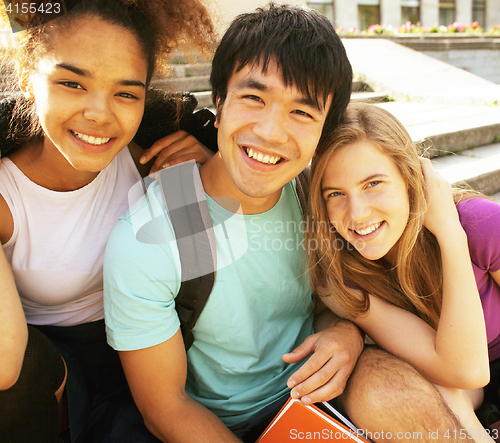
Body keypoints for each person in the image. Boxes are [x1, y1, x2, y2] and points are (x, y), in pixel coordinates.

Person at [103, 4, 364, 443]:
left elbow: (322, 301)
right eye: (253, 98)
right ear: (219, 103)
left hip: (312, 403)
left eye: (302, 113)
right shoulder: (153, 236)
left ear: (323, 132)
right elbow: (165, 407)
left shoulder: (313, 198)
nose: (271, 132)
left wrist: (347, 333)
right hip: (212, 424)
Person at [0, 0, 216, 441]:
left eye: (125, 93)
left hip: (149, 358)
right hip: (46, 386)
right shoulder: (7, 198)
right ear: (27, 79)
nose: (99, 113)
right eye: (72, 83)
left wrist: (211, 173)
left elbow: (203, 266)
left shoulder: (156, 158)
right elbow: (6, 365)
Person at [307, 102, 499, 442]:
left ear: (412, 179)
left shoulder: (479, 222)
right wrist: (452, 238)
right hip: (467, 391)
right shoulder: (341, 276)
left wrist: (450, 232)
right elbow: (465, 371)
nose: (357, 213)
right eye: (335, 194)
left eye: (373, 184)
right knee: (432, 380)